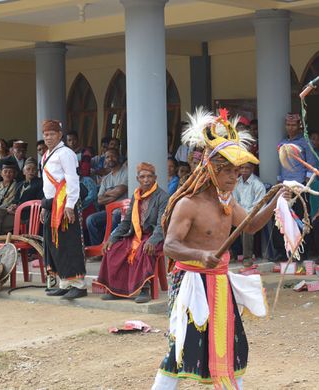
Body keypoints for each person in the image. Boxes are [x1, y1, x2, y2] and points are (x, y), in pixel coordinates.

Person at [151, 108, 279, 389]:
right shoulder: (189, 204)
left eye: (237, 171)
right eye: (229, 171)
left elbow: (251, 225)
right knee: (181, 348)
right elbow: (170, 246)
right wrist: (200, 255)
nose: (234, 177)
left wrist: (276, 200)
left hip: (220, 283)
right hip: (191, 284)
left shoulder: (229, 203)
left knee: (233, 347)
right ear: (211, 169)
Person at [96, 162, 168, 303]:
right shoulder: (136, 196)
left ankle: (144, 289)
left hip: (154, 236)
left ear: (155, 178)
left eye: (149, 176)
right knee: (114, 249)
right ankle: (115, 290)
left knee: (144, 248)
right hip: (135, 235)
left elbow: (162, 225)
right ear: (137, 179)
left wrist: (153, 240)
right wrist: (112, 238)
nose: (146, 180)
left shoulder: (163, 197)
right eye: (142, 177)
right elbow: (127, 222)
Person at [40, 120, 87, 300]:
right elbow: (47, 185)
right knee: (55, 244)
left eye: (52, 134)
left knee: (69, 243)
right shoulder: (45, 155)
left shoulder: (66, 153)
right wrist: (46, 206)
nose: (48, 137)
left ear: (59, 135)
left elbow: (71, 179)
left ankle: (78, 285)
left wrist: (70, 205)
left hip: (66, 203)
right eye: (45, 134)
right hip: (52, 204)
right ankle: (64, 283)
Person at [273, 113, 316, 261]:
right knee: (282, 218)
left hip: (300, 187)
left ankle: (302, 252)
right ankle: (283, 251)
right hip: (285, 186)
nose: (290, 127)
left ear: (299, 126)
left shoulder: (305, 142)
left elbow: (311, 165)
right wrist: (279, 183)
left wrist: (305, 186)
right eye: (288, 125)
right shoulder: (282, 143)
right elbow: (280, 166)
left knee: (302, 218)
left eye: (293, 125)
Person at [0, 158, 43, 238]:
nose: (31, 171)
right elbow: (15, 200)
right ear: (24, 171)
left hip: (26, 214)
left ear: (37, 172)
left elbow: (38, 202)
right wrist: (12, 206)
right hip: (14, 211)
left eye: (34, 169)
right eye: (28, 169)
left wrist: (19, 208)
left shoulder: (40, 183)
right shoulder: (20, 184)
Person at [86, 148, 128, 246]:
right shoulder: (106, 179)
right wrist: (114, 194)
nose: (110, 159)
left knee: (115, 217)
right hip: (110, 211)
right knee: (90, 220)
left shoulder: (126, 172)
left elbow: (121, 190)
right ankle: (98, 248)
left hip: (123, 211)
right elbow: (99, 200)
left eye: (112, 156)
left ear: (118, 157)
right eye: (107, 157)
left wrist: (107, 193)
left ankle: (109, 248)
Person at [232, 162, 266, 267]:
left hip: (254, 215)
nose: (244, 170)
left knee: (246, 225)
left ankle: (247, 257)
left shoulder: (258, 184)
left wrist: (245, 215)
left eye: (247, 168)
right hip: (239, 213)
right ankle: (230, 254)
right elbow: (234, 201)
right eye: (242, 167)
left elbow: (259, 206)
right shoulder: (236, 182)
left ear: (252, 169)